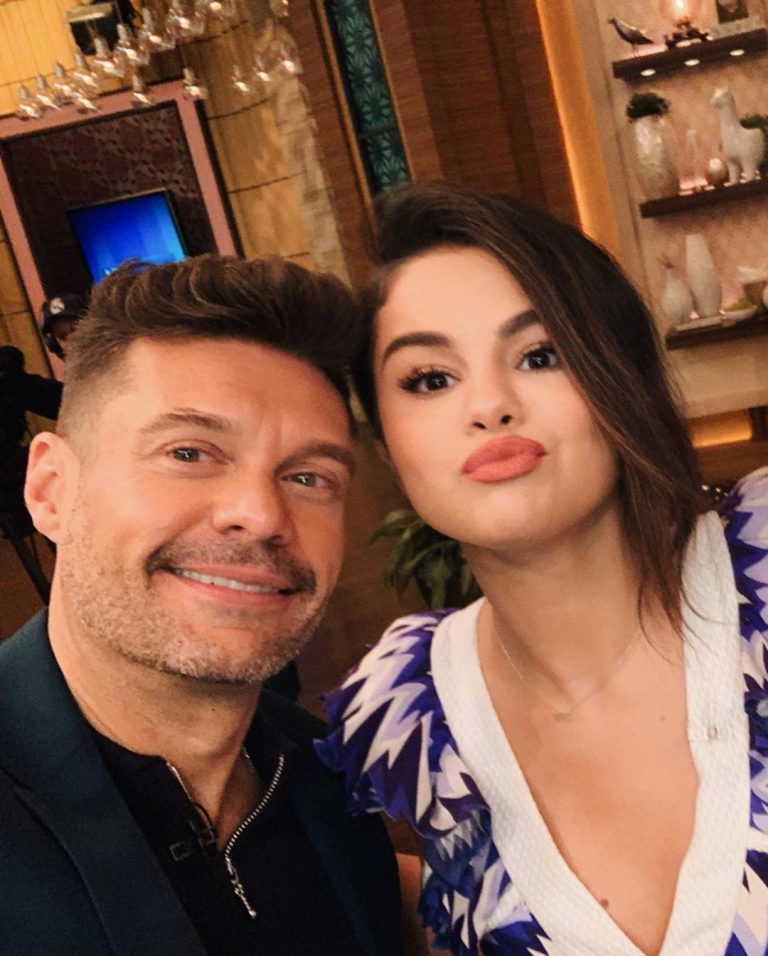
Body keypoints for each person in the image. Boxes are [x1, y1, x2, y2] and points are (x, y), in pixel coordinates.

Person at [317, 182, 768, 956]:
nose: (490, 405)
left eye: (539, 356)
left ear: (619, 378)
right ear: (387, 444)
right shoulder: (414, 713)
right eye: (430, 379)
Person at [0, 254, 403, 956]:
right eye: (189, 453)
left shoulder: (331, 786)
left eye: (308, 477)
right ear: (51, 490)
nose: (261, 514)